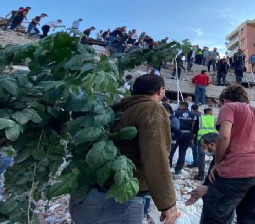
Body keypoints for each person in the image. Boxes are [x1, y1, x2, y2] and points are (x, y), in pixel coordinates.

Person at [69, 74, 179, 224]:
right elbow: (155, 157)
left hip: (86, 196)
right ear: (160, 91)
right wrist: (167, 203)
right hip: (116, 201)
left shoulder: (115, 108)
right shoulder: (151, 109)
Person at [200, 84, 255, 224]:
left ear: (225, 100)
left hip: (239, 169)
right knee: (250, 218)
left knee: (216, 215)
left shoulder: (229, 107)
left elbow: (224, 136)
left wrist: (218, 163)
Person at [186, 133, 219, 205]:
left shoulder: (227, 161)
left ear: (212, 145)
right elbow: (208, 179)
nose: (202, 149)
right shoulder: (215, 159)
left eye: (203, 146)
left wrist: (207, 189)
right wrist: (198, 194)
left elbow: (227, 185)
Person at [169, 102, 198, 176]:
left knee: (172, 151)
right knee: (182, 152)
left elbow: (173, 123)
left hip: (177, 134)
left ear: (182, 106)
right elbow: (193, 126)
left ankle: (168, 168)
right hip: (187, 135)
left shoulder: (176, 113)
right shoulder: (193, 115)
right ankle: (178, 169)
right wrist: (191, 137)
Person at [194, 108, 217, 180]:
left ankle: (201, 175)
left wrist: (192, 137)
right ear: (210, 112)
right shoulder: (214, 118)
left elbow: (195, 129)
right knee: (215, 156)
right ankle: (214, 174)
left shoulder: (201, 118)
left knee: (201, 156)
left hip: (202, 139)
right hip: (214, 138)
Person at [188, 104, 203, 169]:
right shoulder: (201, 114)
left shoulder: (192, 114)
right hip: (201, 133)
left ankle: (195, 162)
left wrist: (192, 134)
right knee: (199, 148)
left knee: (194, 147)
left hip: (195, 133)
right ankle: (199, 162)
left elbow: (193, 125)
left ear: (192, 108)